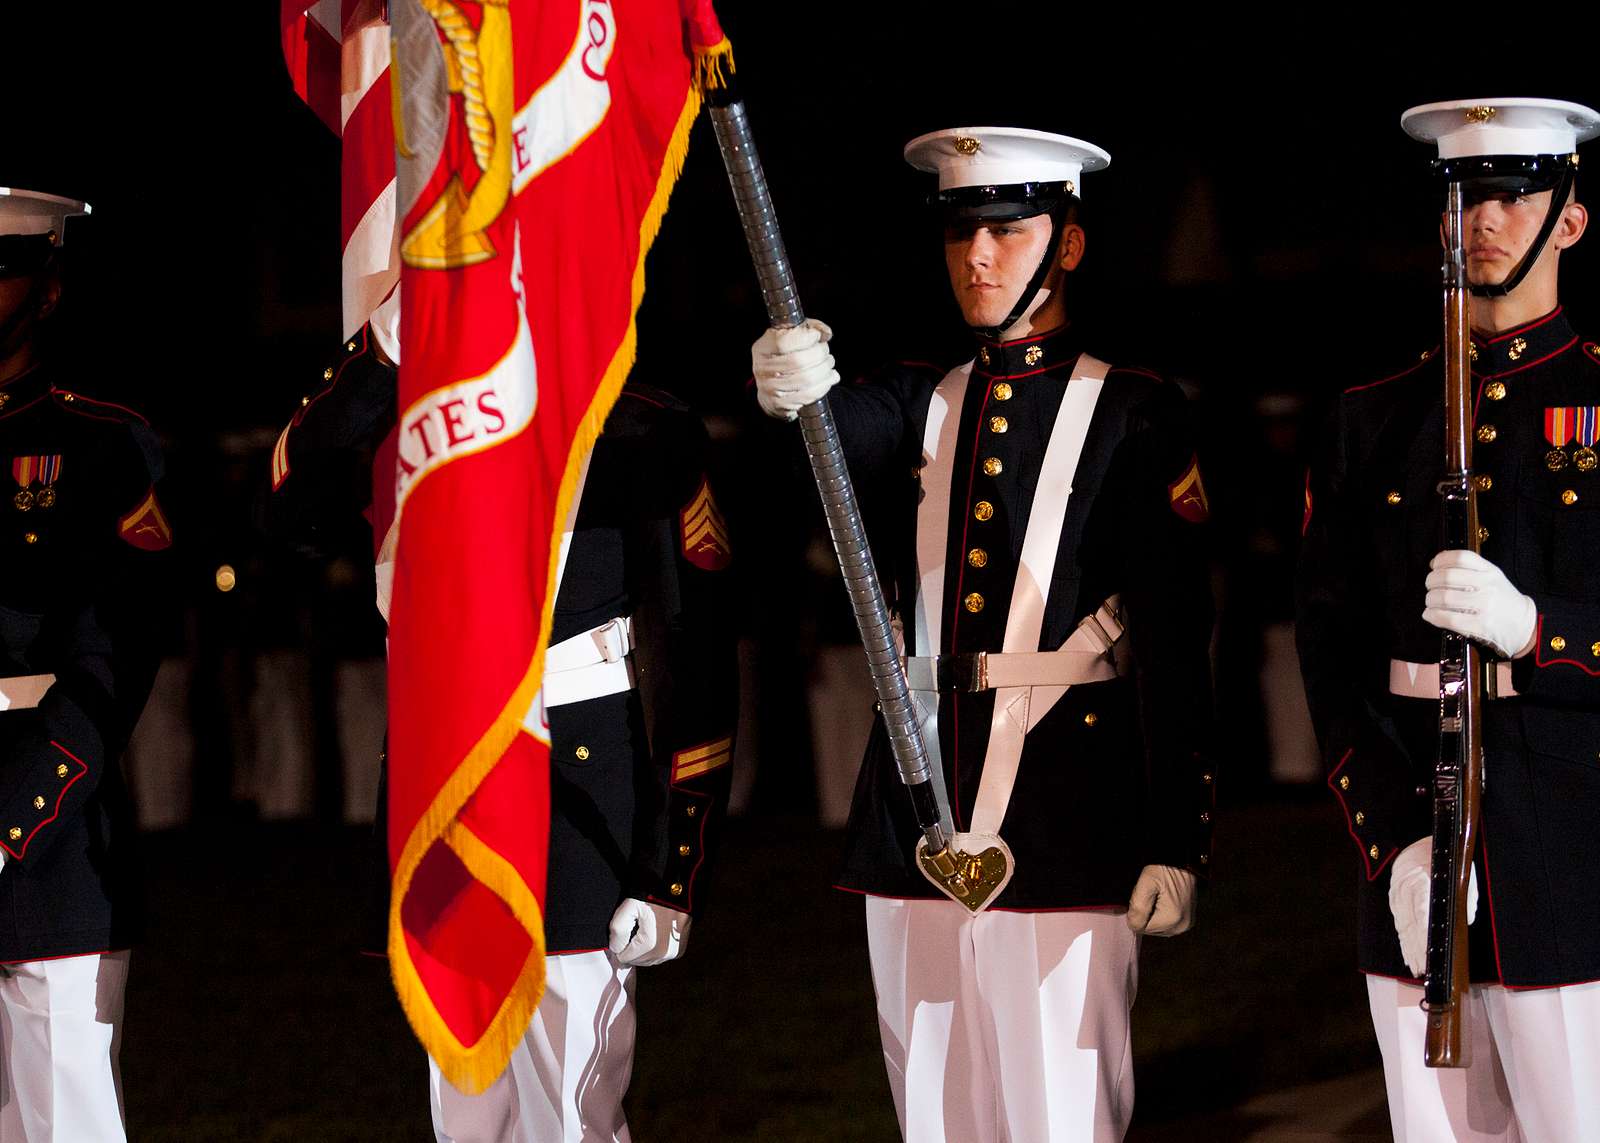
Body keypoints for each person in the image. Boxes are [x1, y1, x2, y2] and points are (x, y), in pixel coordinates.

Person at [752, 126, 1215, 1142]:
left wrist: (1174, 836)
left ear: (1069, 246)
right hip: (914, 815)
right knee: (932, 1113)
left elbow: (1179, 646)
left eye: (1007, 231)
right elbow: (818, 461)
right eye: (962, 233)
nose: (978, 258)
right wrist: (794, 396)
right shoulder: (918, 397)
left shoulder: (1134, 413)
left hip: (1068, 818)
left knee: (1059, 1113)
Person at [267, 318, 739, 1143]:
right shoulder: (405, 416)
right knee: (466, 1118)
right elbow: (286, 507)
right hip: (447, 787)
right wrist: (381, 354)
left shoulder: (636, 425)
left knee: (572, 1115)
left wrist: (673, 865)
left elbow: (693, 652)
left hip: (581, 798)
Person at [1296, 97, 1600, 1143]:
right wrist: (1395, 846)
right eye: (1462, 197)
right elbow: (1329, 657)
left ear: (1569, 218)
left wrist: (1539, 632)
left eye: (1512, 196)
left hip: (1574, 867)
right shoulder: (1372, 419)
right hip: (1420, 862)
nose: (1481, 220)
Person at [0, 187, 172, 1140]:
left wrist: (18, 809)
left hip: (53, 834)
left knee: (60, 1121)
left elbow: (115, 653)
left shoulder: (101, 446)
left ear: (48, 291)